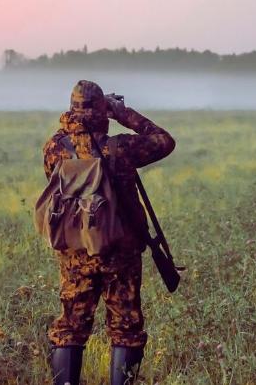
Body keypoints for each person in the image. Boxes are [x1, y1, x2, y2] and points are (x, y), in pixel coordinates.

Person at [42, 80, 175, 385]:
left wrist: (86, 117)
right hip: (120, 252)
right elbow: (164, 141)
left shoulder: (53, 148)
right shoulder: (121, 148)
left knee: (70, 326)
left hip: (76, 251)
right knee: (125, 328)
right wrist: (122, 113)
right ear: (102, 110)